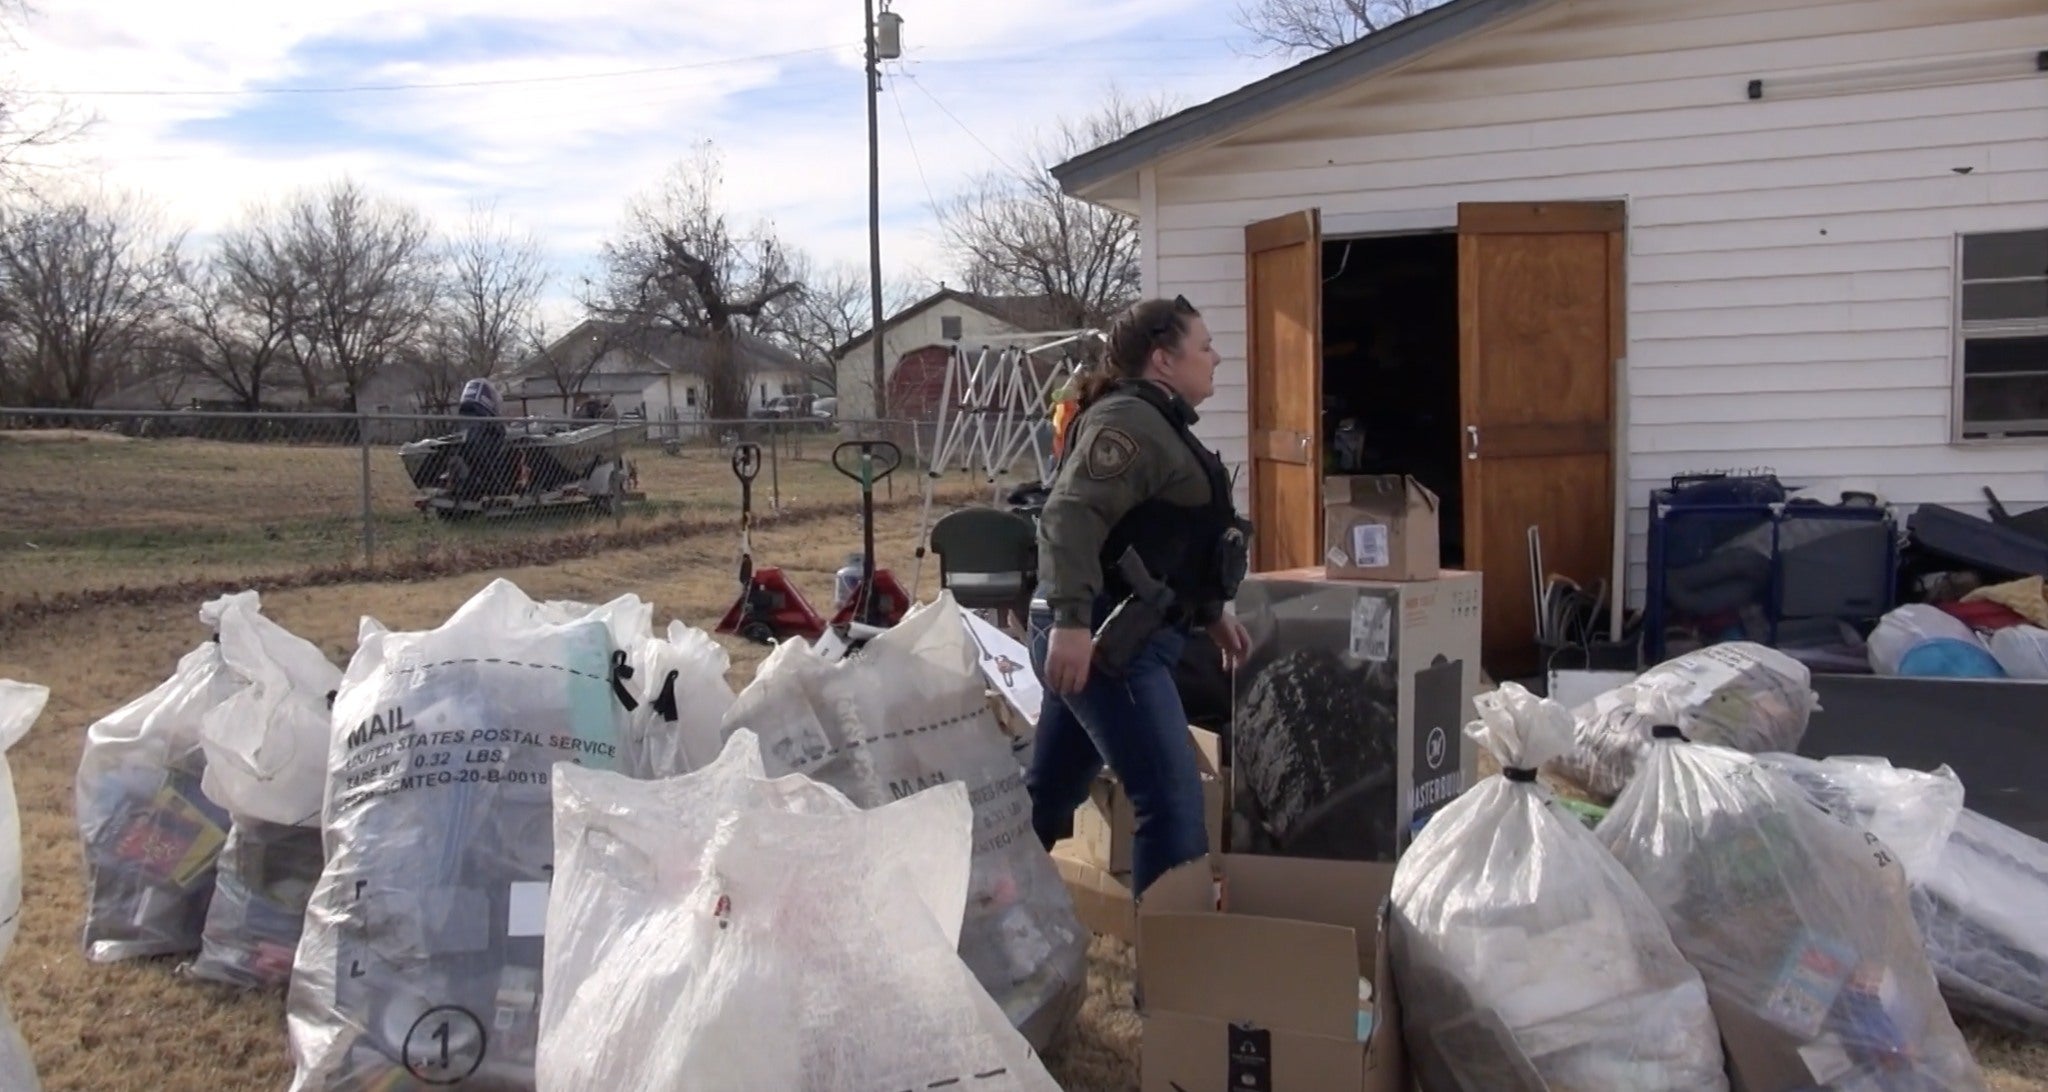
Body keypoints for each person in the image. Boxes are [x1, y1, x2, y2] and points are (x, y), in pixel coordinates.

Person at [1026, 295, 1254, 898]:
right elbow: (1069, 517)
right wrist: (1074, 625)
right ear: (1162, 359)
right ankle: (1175, 979)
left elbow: (1162, 540)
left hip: (1110, 632)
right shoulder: (1127, 422)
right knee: (1174, 806)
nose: (1217, 358)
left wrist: (1208, 615)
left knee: (1047, 797)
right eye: (1204, 346)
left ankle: (989, 909)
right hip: (1105, 641)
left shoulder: (1159, 421)